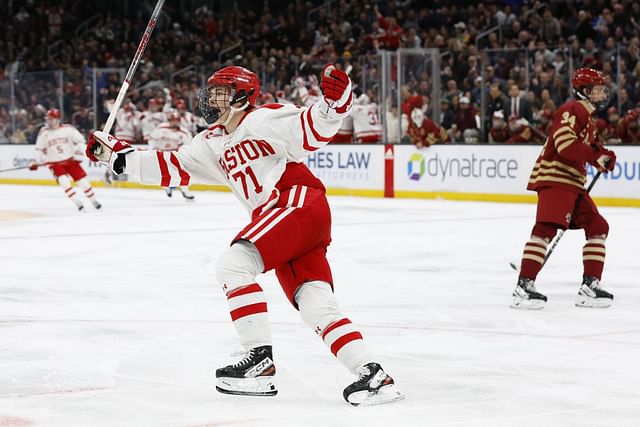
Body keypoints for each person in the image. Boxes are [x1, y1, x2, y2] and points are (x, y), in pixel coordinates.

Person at [86, 64, 404, 406]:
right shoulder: (209, 142)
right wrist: (118, 157)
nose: (210, 99)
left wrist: (335, 102)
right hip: (287, 221)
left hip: (295, 201)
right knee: (315, 305)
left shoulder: (263, 119)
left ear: (241, 96)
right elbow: (173, 167)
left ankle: (259, 360)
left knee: (234, 264)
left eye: (219, 92)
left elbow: (312, 128)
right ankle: (373, 375)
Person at [511, 68, 616, 310]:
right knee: (545, 229)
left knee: (598, 226)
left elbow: (589, 147)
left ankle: (590, 286)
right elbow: (565, 144)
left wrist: (604, 155)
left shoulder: (588, 118)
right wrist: (594, 157)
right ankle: (523, 286)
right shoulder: (574, 109)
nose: (602, 93)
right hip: (557, 179)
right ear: (584, 91)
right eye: (597, 89)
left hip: (573, 184)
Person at [29, 109, 102, 212]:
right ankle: (78, 203)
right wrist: (36, 161)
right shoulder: (44, 132)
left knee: (83, 182)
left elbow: (80, 141)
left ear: (57, 120)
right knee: (64, 183)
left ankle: (94, 201)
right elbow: (39, 150)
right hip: (55, 164)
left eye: (51, 119)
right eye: (48, 119)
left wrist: (86, 152)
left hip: (70, 161)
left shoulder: (68, 129)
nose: (48, 121)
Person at [148, 111, 195, 200]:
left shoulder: (184, 132)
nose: (174, 122)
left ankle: (185, 191)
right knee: (164, 174)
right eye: (173, 120)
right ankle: (167, 188)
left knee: (183, 174)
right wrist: (151, 151)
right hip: (161, 154)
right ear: (169, 120)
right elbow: (152, 139)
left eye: (176, 120)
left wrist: (185, 155)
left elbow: (188, 146)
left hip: (175, 155)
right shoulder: (161, 128)